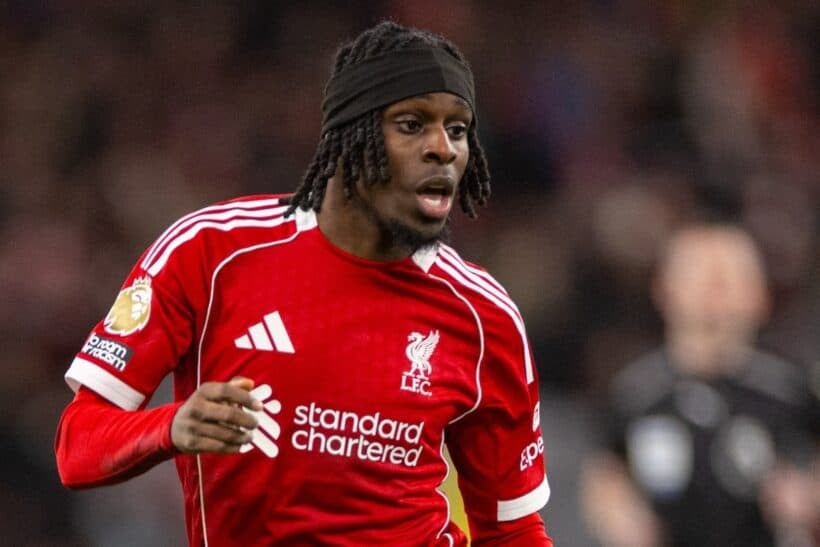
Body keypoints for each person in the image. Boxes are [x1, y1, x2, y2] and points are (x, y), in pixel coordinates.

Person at [54, 21, 553, 546]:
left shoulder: (482, 313)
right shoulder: (211, 252)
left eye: (457, 129)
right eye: (411, 124)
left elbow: (512, 529)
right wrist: (170, 428)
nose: (443, 149)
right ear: (348, 135)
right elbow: (76, 447)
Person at [580, 222, 819, 547]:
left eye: (730, 277)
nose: (714, 292)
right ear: (663, 290)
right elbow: (606, 472)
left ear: (761, 295)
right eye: (700, 275)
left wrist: (807, 499)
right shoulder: (633, 392)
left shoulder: (791, 391)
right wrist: (618, 514)